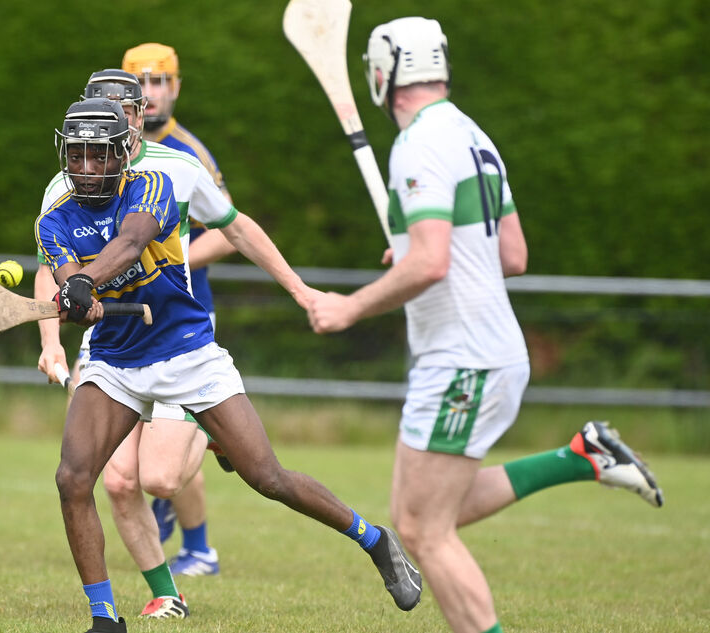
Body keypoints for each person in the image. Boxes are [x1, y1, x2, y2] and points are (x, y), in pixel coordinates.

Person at [307, 17, 663, 633]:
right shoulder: (473, 134)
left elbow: (432, 262)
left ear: (383, 72)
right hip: (484, 351)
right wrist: (420, 248)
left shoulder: (417, 143)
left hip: (462, 358)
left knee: (424, 529)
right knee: (421, 512)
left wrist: (352, 305)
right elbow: (512, 253)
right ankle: (582, 457)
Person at [36, 97, 422, 633]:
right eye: (77, 155)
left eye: (98, 155)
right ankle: (105, 620)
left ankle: (373, 540)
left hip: (186, 351)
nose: (85, 167)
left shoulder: (152, 186)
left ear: (122, 153)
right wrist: (78, 299)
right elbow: (66, 276)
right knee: (72, 478)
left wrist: (84, 282)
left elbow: (130, 243)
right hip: (115, 361)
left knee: (268, 478)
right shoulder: (54, 219)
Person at [36, 69, 223, 619]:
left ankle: (216, 427)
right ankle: (167, 594)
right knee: (116, 480)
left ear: (136, 118)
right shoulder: (63, 187)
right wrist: (53, 338)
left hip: (176, 337)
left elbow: (232, 228)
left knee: (161, 478)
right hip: (113, 346)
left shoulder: (173, 167)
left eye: (127, 110)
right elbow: (54, 270)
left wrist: (300, 290)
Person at [121, 42, 235, 576]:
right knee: (144, 455)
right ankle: (197, 549)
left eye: (160, 81)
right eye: (140, 83)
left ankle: (198, 547)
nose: (150, 93)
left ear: (176, 87)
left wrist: (169, 254)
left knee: (167, 450)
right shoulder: (109, 150)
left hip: (187, 317)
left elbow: (228, 234)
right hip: (132, 321)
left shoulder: (189, 152)